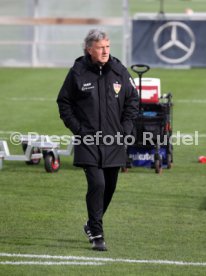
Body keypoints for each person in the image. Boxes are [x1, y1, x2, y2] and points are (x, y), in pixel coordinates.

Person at [57, 29, 139, 251]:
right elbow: (64, 103)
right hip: (88, 140)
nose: (105, 51)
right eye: (100, 47)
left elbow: (133, 100)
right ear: (89, 49)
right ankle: (97, 233)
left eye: (108, 46)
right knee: (98, 184)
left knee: (109, 187)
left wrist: (126, 129)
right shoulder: (77, 72)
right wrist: (79, 129)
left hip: (114, 141)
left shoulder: (120, 71)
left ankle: (90, 224)